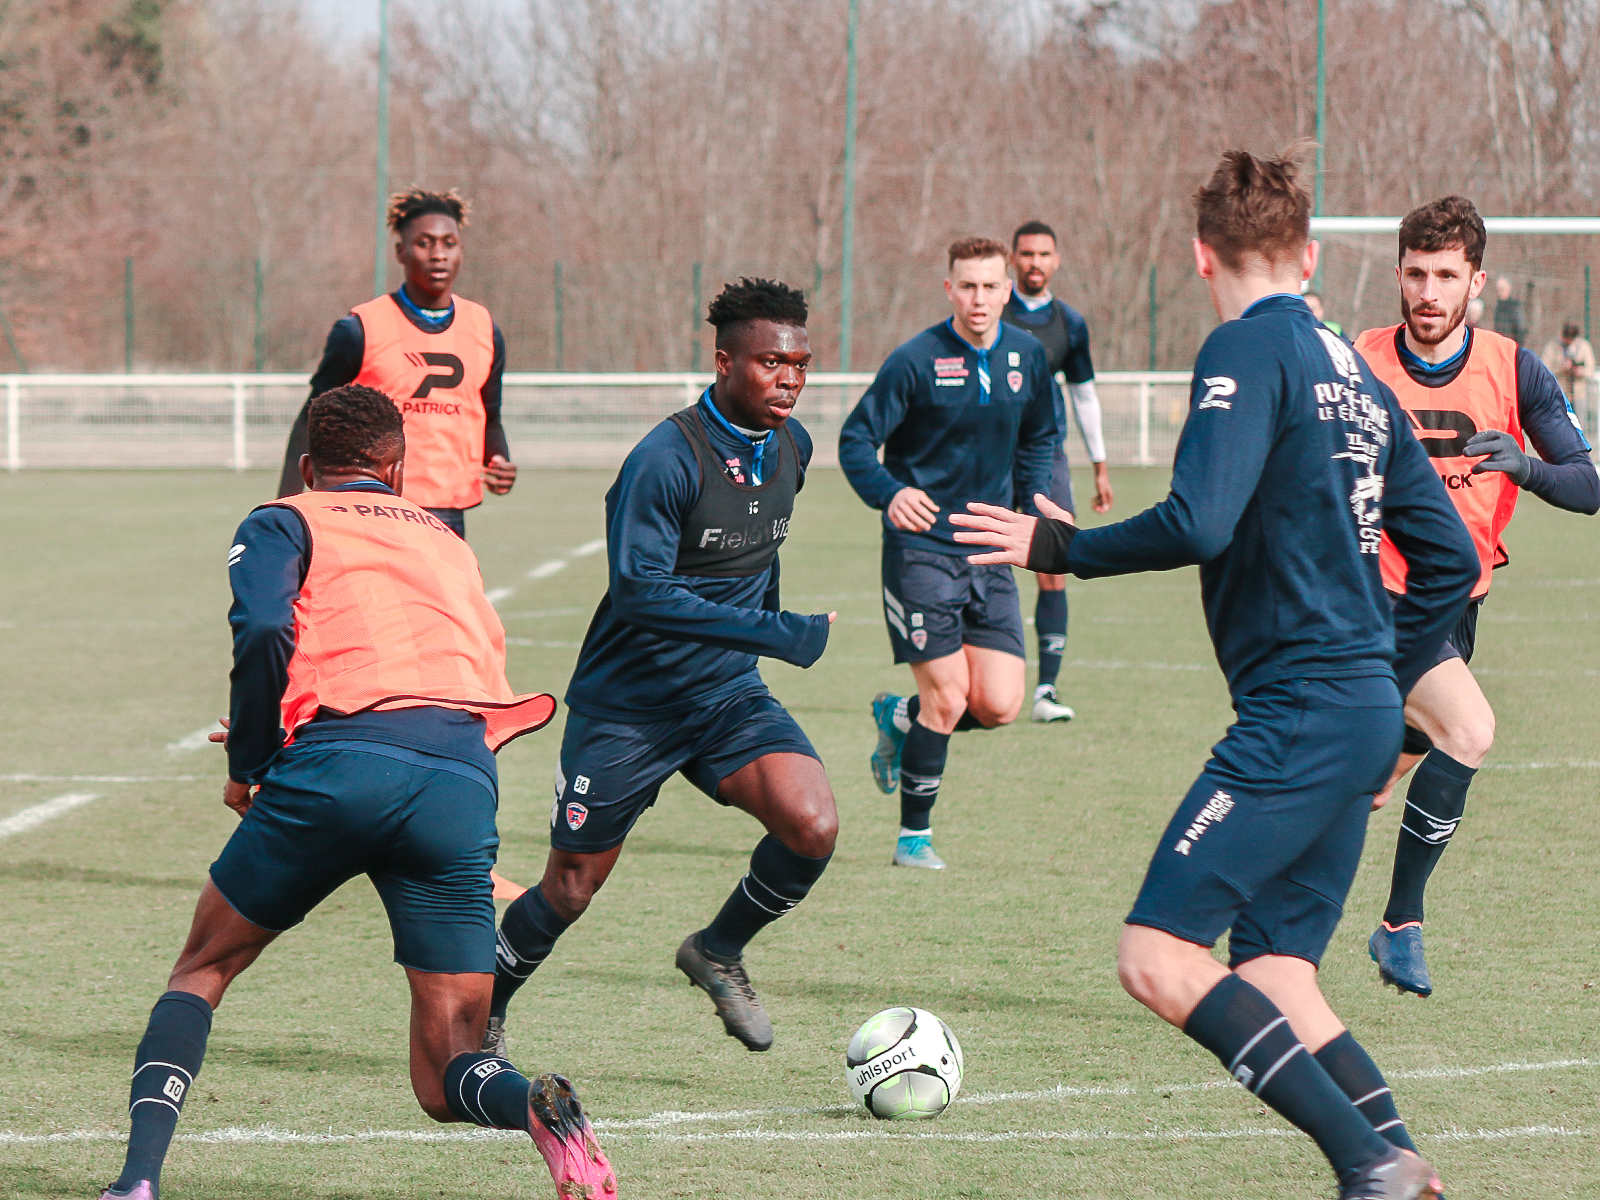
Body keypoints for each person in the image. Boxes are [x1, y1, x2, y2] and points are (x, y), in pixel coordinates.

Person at [950, 149, 1474, 1200]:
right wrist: (1394, 711)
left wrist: (1054, 547)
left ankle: (1367, 1164)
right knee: (1278, 975)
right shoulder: (1356, 372)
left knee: (1156, 955)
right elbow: (1451, 559)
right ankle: (1406, 1176)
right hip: (1363, 706)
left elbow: (1199, 521)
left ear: (1201, 257)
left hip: (1301, 711)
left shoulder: (1243, 348)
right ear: (1310, 254)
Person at [98, 386, 614, 1200]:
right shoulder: (446, 539)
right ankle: (535, 1108)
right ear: (397, 468)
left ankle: (135, 1181)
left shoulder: (284, 517)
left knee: (201, 970)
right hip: (455, 778)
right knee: (449, 1075)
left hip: (340, 771)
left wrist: (256, 760)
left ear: (308, 466)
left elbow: (267, 631)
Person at [486, 279, 837, 1057]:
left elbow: (760, 558)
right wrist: (776, 632)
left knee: (811, 825)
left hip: (725, 697)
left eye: (802, 364)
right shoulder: (664, 459)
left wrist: (757, 642)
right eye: (772, 362)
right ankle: (487, 1006)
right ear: (723, 362)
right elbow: (642, 595)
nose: (790, 379)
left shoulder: (795, 448)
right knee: (569, 890)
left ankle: (716, 950)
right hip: (629, 706)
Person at [1355, 197, 1599, 998]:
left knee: (1366, 779)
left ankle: (1248, 905)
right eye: (1417, 273)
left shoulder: (1515, 369)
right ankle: (1400, 924)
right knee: (1469, 728)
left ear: (1477, 282)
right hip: (1371, 598)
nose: (1428, 291)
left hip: (1457, 609)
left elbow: (1588, 486)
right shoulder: (1357, 361)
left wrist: (1524, 467)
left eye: (1446, 276)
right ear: (1398, 274)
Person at [839, 237, 1057, 870]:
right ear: (949, 290)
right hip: (922, 549)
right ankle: (914, 838)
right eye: (967, 286)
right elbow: (857, 439)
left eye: (991, 287)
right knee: (949, 697)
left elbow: (1040, 436)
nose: (980, 299)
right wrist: (888, 491)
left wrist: (1036, 501)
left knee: (1000, 705)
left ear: (1008, 289)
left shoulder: (1028, 357)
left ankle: (896, 717)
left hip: (990, 547)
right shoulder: (915, 361)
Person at [277, 187, 517, 539]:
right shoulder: (360, 329)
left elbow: (489, 416)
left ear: (461, 250)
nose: (438, 255)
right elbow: (313, 416)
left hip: (448, 511)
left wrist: (499, 460)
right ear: (400, 252)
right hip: (372, 506)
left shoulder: (484, 329)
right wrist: (286, 502)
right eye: (425, 243)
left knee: (446, 596)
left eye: (449, 243)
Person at [1002, 220, 1114, 723]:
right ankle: (976, 680)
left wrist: (1100, 466)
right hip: (989, 457)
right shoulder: (988, 315)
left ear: (1056, 260)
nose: (1034, 263)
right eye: (1026, 253)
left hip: (1046, 457)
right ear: (1013, 258)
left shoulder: (1070, 323)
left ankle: (1046, 690)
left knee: (1053, 566)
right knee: (981, 563)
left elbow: (1084, 395)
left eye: (1044, 254)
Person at [1540, 321, 1595, 411]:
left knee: (1579, 424)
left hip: (1579, 395)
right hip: (1558, 395)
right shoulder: (1552, 346)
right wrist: (1561, 368)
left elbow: (1590, 370)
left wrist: (1581, 371)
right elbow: (1544, 371)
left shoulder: (1584, 347)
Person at [1491, 275, 1527, 346]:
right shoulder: (1498, 307)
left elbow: (1520, 330)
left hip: (1510, 346)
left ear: (1509, 288)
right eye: (1498, 290)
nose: (1499, 293)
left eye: (1502, 289)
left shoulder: (1515, 307)